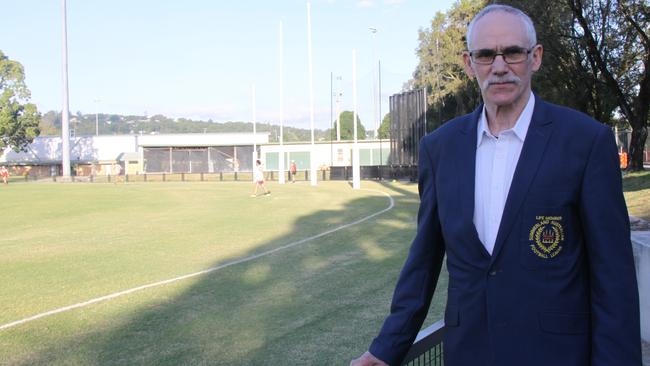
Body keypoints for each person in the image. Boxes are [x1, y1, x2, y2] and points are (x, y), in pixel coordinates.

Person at [351, 5, 641, 366]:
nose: (499, 66)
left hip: (557, 356)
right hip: (469, 353)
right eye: (486, 55)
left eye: (513, 52)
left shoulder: (586, 142)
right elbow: (423, 262)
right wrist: (385, 349)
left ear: (535, 57)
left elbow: (613, 277)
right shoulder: (440, 148)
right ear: (469, 63)